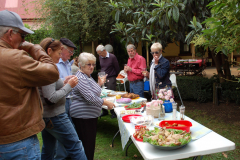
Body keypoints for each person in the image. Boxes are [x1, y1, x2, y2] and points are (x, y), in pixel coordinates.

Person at [0, 10, 59, 159]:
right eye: (23, 36)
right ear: (10, 34)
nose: (23, 41)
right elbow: (52, 73)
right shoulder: (15, 57)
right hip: (17, 141)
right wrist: (35, 48)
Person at [39, 38, 87, 160]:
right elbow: (51, 97)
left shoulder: (42, 66)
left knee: (48, 148)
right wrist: (69, 86)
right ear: (49, 51)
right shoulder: (48, 68)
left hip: (46, 115)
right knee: (76, 145)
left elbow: (48, 87)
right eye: (59, 53)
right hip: (55, 115)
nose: (60, 56)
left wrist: (62, 81)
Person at [70, 52, 115, 160]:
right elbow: (90, 97)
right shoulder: (80, 77)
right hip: (83, 117)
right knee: (86, 146)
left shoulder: (87, 76)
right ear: (81, 65)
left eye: (93, 64)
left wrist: (99, 83)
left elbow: (95, 93)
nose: (91, 67)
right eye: (88, 64)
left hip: (89, 116)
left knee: (89, 145)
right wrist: (105, 103)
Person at [55, 38, 76, 159]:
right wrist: (66, 81)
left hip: (69, 99)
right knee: (64, 131)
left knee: (68, 129)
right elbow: (52, 84)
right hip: (59, 100)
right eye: (70, 51)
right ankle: (61, 156)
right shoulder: (55, 64)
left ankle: (64, 154)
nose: (71, 54)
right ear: (61, 49)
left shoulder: (68, 63)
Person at [96, 44, 120, 118]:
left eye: (100, 53)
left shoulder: (112, 57)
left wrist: (113, 76)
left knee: (111, 95)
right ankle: (104, 111)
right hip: (103, 78)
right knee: (102, 94)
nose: (100, 55)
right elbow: (102, 67)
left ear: (104, 50)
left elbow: (117, 68)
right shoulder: (100, 57)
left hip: (111, 77)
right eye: (98, 54)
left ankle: (113, 112)